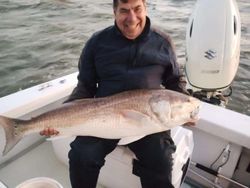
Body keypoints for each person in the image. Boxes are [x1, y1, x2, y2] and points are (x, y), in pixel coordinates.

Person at [41, 0, 194, 187]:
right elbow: (85, 86)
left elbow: (174, 81)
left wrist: (187, 109)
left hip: (149, 118)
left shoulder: (162, 42)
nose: (132, 18)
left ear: (145, 8)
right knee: (82, 155)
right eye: (124, 11)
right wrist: (61, 116)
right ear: (114, 12)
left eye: (137, 9)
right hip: (104, 116)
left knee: (160, 159)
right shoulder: (96, 43)